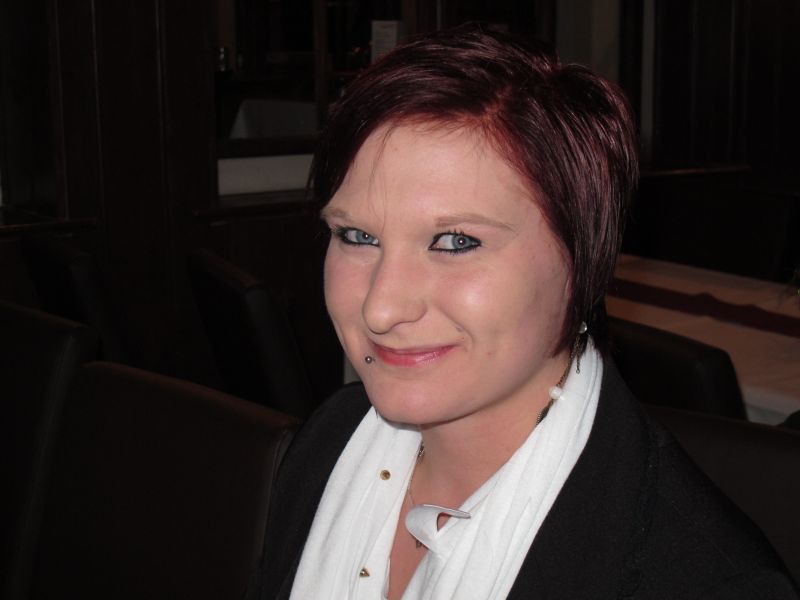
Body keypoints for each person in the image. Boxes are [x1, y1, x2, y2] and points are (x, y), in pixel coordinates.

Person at [254, 24, 798, 599]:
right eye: (357, 235)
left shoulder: (708, 583)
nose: (381, 308)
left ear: (582, 259)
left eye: (456, 242)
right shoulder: (330, 440)